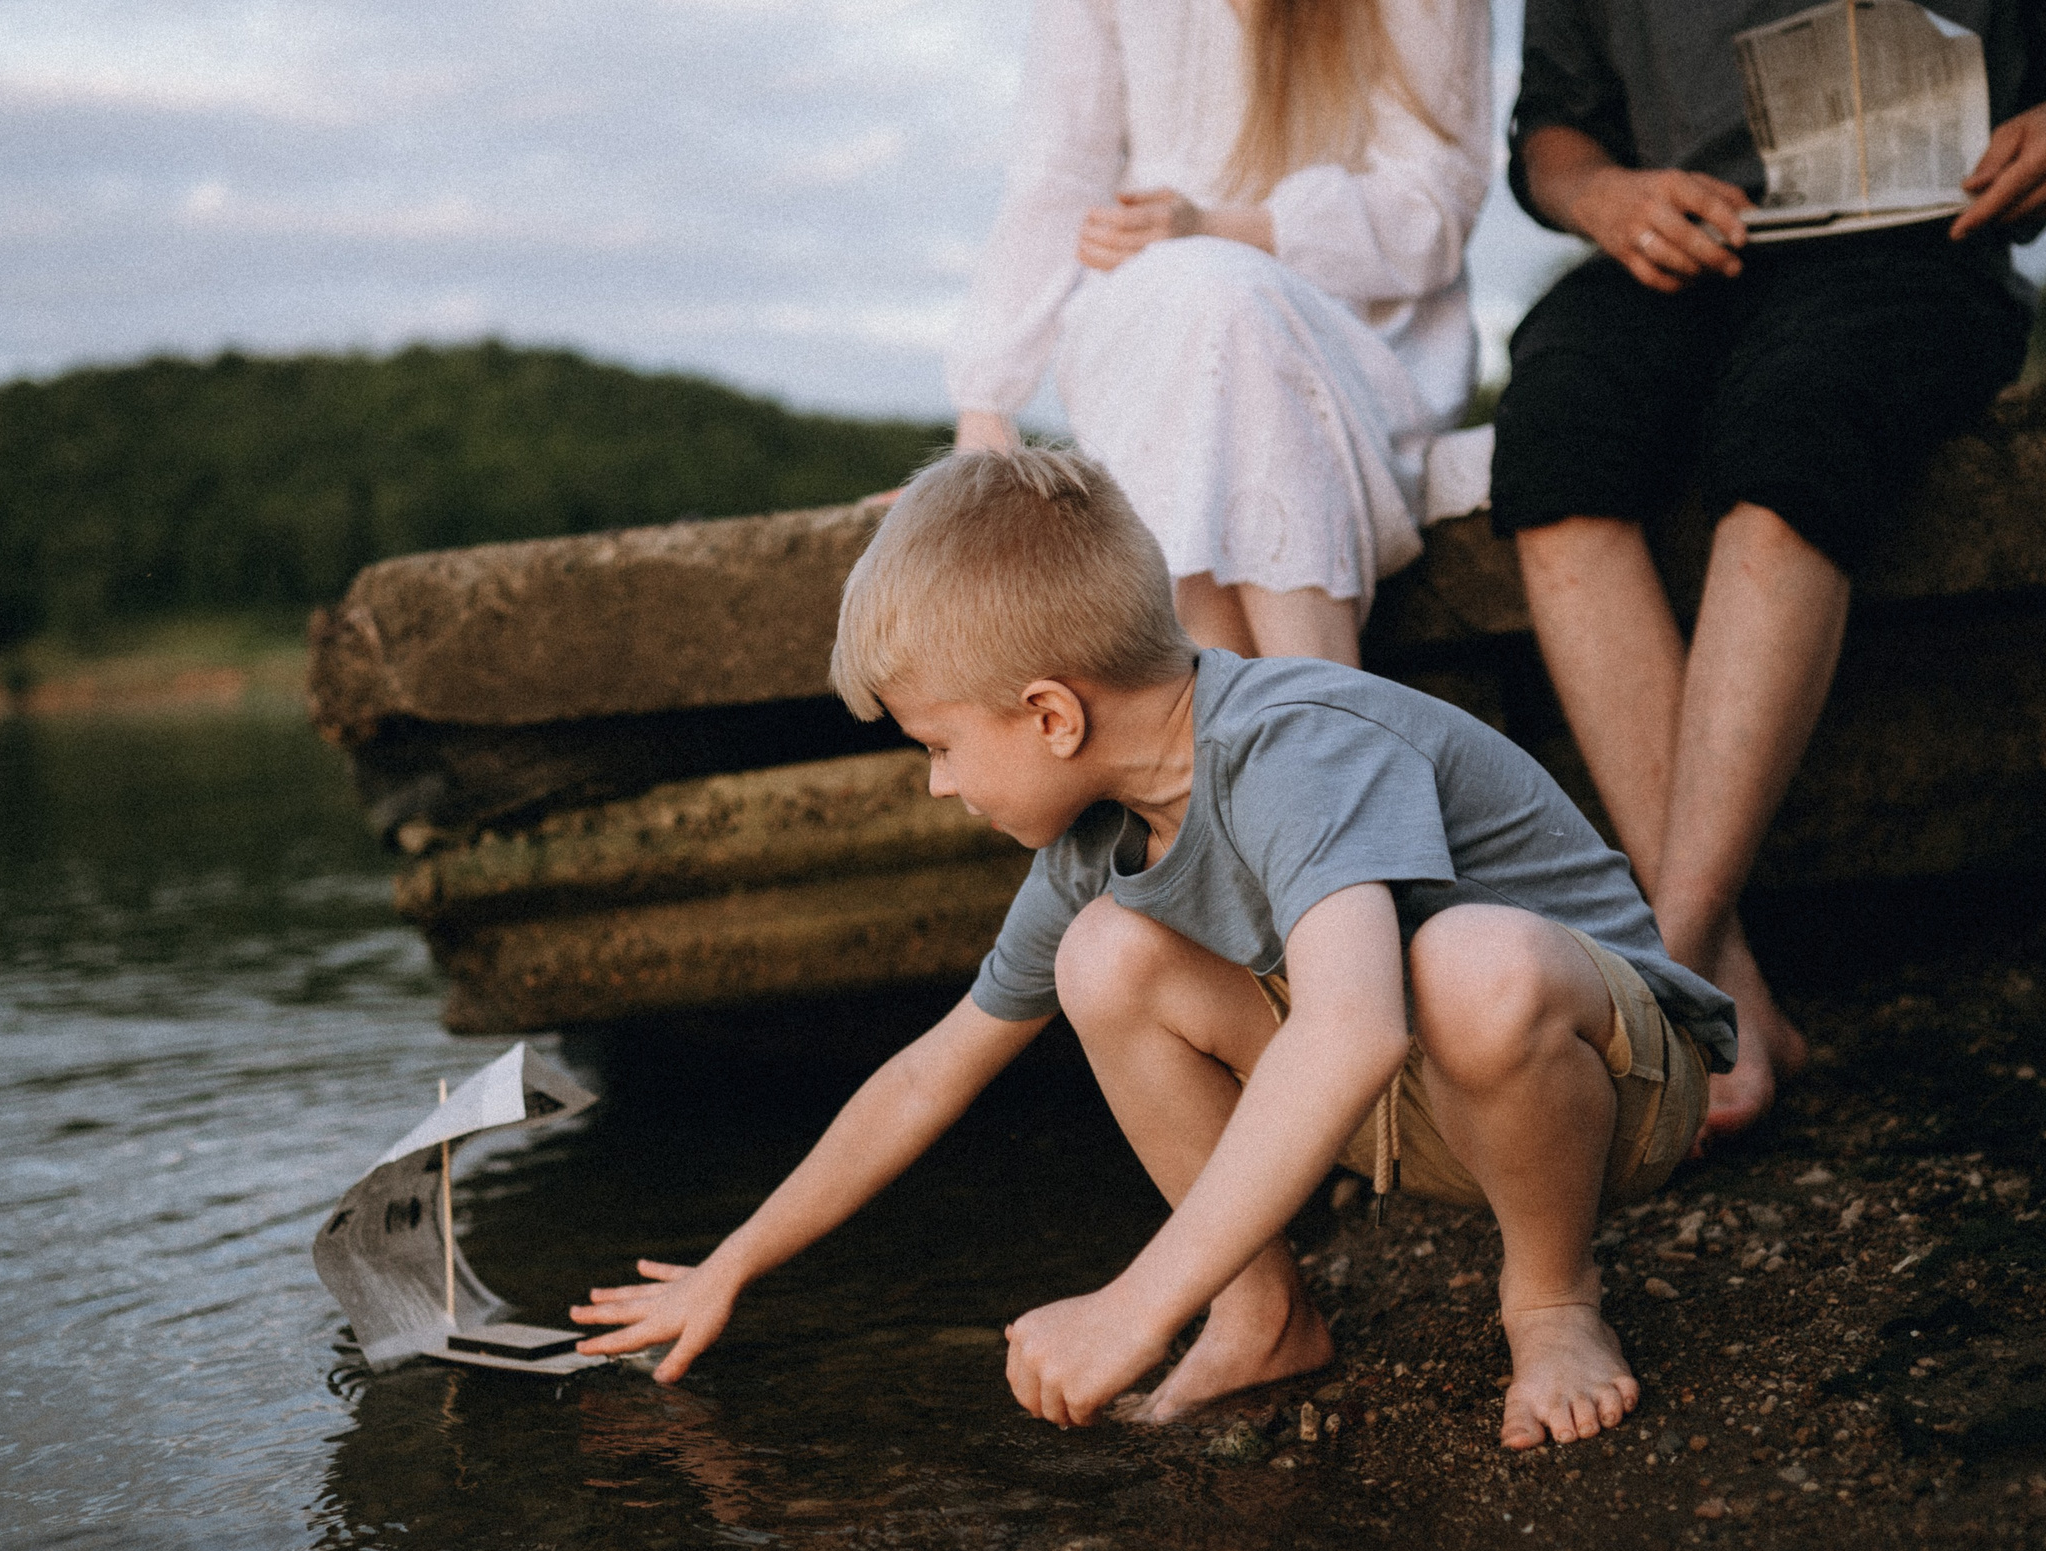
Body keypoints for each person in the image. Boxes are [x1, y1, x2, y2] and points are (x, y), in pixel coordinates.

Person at [572, 449, 1737, 1448]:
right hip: (1425, 1108)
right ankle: (1259, 1316)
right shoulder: (1102, 841)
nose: (936, 784)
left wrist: (1135, 1305)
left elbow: (1356, 1024)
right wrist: (733, 1261)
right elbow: (934, 1067)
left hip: (1616, 1093)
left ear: (1050, 716)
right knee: (1103, 956)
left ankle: (1550, 1301)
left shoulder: (1293, 742)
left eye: (936, 745)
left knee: (1468, 965)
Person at [1492, 0, 2046, 1136]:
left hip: (1917, 249)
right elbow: (1552, 136)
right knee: (1555, 435)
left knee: (1793, 429)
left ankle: (1671, 965)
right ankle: (1722, 997)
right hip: (1681, 261)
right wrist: (1603, 197)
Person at [946, 0, 1491, 666]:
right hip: (1147, 314)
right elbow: (1057, 173)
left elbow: (1435, 208)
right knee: (1214, 304)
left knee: (1228, 303)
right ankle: (1329, 715)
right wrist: (985, 407)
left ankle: (1255, 733)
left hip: (1359, 337)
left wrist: (1218, 228)